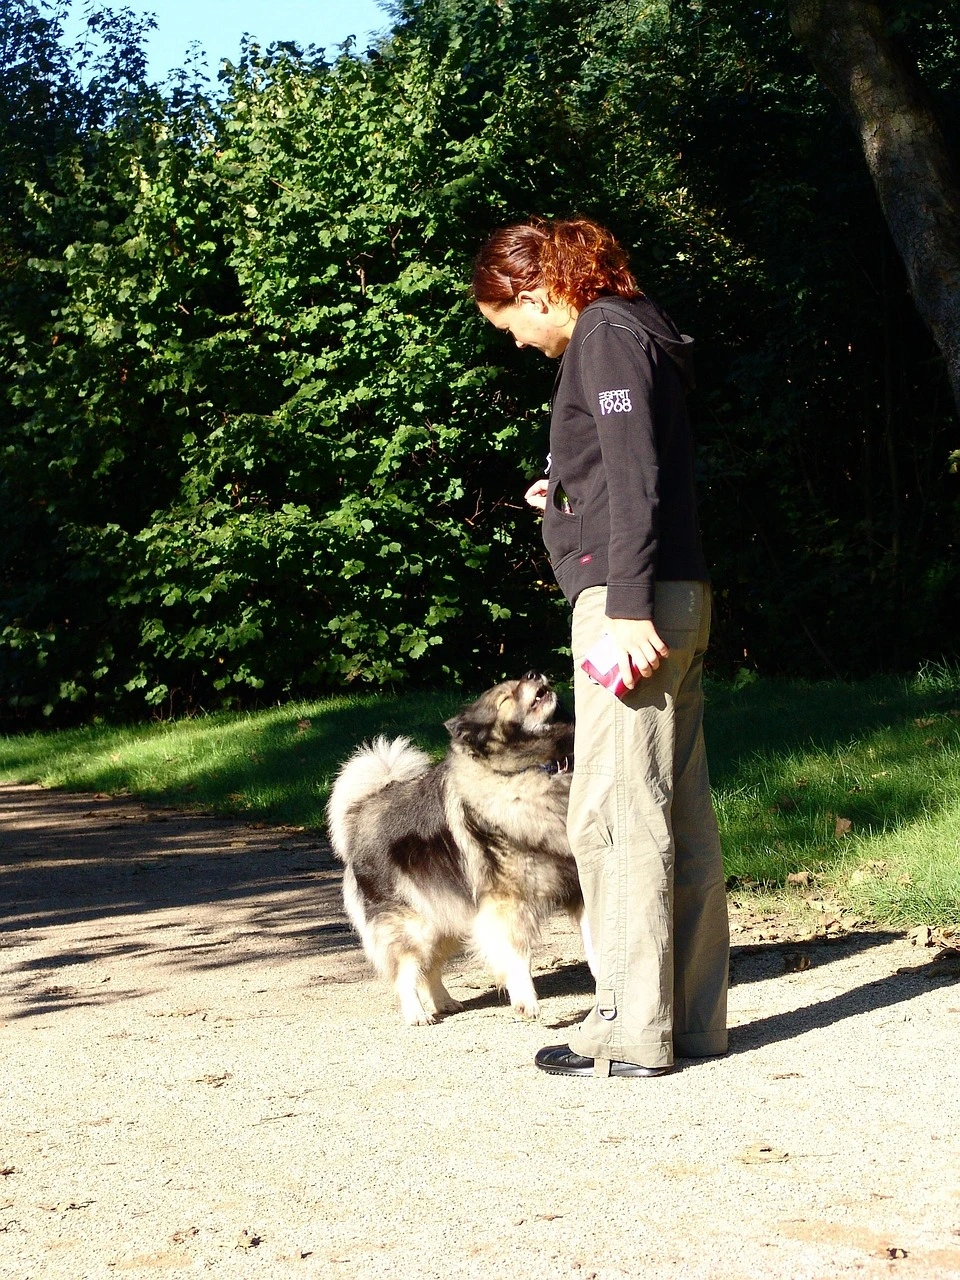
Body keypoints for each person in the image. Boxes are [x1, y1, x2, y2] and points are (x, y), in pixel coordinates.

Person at [471, 217, 729, 1078]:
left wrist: (624, 606)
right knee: (676, 817)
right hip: (672, 594)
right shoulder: (635, 327)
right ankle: (687, 1023)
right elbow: (622, 468)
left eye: (514, 326)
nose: (523, 344)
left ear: (537, 291)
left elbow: (637, 473)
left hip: (635, 607)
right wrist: (566, 493)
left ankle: (627, 1030)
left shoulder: (604, 335)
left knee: (613, 816)